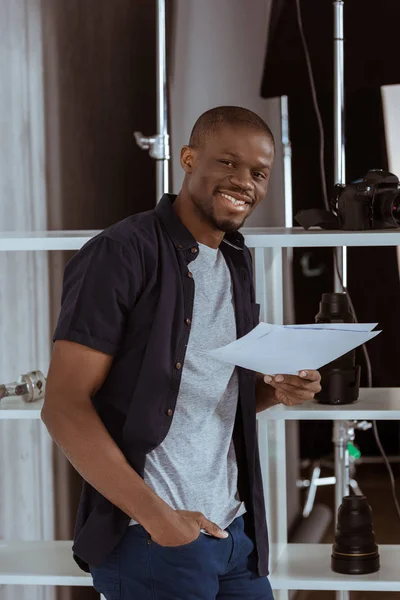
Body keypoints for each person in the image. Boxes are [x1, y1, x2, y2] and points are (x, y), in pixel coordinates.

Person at [41, 106, 321, 600]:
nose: (244, 182)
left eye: (258, 173)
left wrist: (276, 391)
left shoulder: (235, 258)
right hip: (155, 542)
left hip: (234, 533)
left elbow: (199, 396)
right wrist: (161, 522)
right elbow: (63, 407)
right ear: (189, 159)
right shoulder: (120, 253)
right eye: (227, 163)